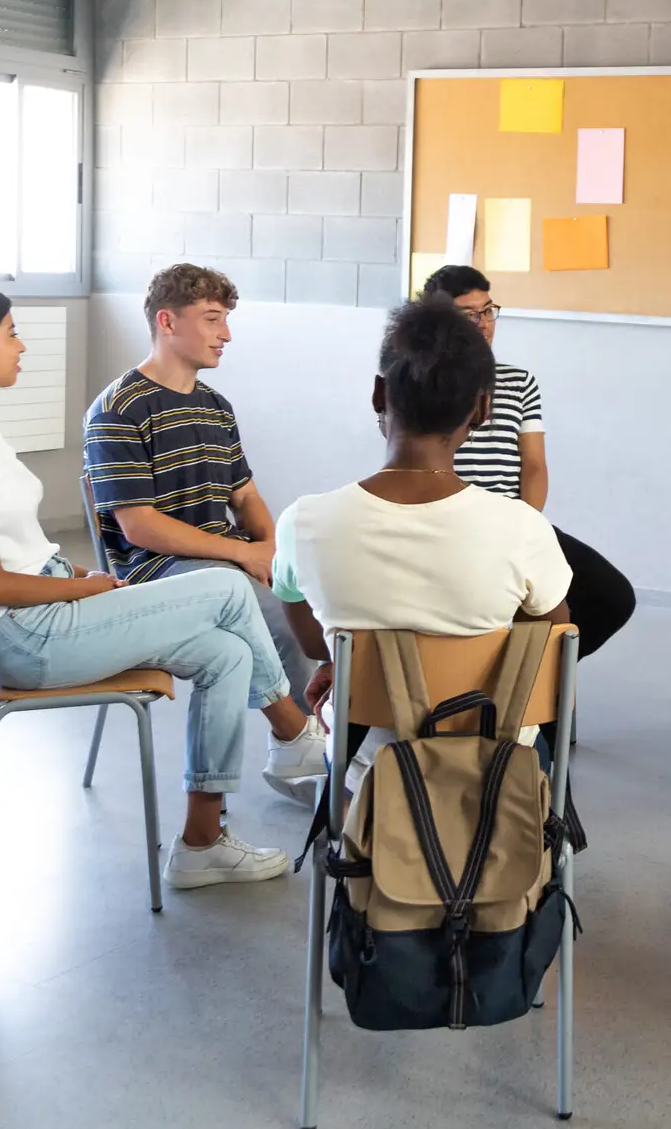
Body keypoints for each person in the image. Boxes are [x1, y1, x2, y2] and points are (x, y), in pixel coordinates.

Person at [0, 279, 318, 889]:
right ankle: (294, 731)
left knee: (226, 653)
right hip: (24, 638)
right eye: (9, 333)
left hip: (48, 610)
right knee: (228, 589)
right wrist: (81, 589)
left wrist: (77, 576)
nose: (21, 345)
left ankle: (201, 843)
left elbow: (22, 554)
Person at [270, 298, 571, 775]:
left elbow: (313, 645)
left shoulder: (303, 523)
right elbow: (554, 638)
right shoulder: (521, 526)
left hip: (368, 759)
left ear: (378, 395)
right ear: (482, 409)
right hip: (493, 760)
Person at [83, 261, 325, 802]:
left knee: (307, 598)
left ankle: (309, 749)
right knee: (259, 605)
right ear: (167, 322)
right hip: (154, 572)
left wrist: (271, 549)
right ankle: (304, 752)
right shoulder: (118, 409)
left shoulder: (217, 407)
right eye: (214, 319)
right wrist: (244, 558)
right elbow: (139, 526)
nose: (227, 334)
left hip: (219, 562)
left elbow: (246, 496)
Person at [417, 265, 634, 662]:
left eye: (489, 310)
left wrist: (527, 525)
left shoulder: (518, 381)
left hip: (514, 519)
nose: (483, 323)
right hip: (451, 524)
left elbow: (534, 464)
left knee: (612, 596)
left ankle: (537, 681)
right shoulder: (418, 381)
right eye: (469, 314)